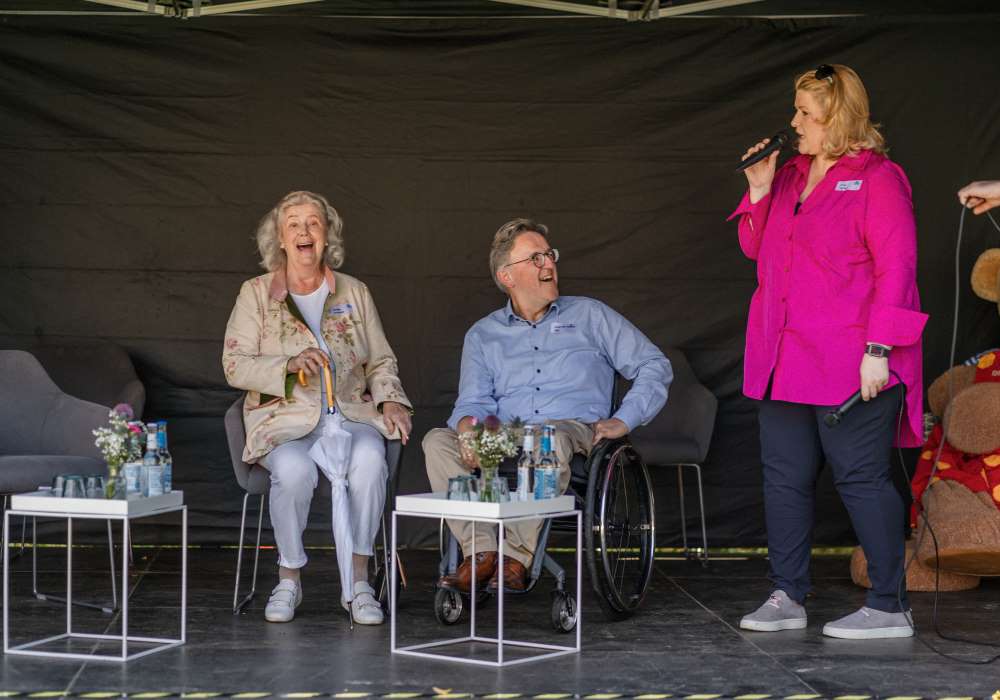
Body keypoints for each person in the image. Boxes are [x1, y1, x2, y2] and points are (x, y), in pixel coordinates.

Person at [729, 64, 928, 639]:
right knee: (783, 478)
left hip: (851, 359)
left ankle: (891, 606)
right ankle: (787, 594)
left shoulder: (878, 178)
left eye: (805, 114)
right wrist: (759, 188)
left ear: (837, 118)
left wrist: (879, 347)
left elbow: (899, 267)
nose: (793, 124)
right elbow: (755, 248)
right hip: (782, 357)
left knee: (861, 478)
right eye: (795, 111)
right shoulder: (790, 174)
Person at [423, 218, 672, 592]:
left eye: (550, 255)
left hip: (571, 431)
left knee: (546, 437)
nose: (549, 264)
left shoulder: (590, 315)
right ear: (507, 276)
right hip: (506, 435)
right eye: (535, 258)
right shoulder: (483, 334)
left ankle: (516, 558)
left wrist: (625, 419)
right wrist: (467, 429)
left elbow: (655, 365)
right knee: (436, 442)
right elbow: (472, 400)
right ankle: (482, 553)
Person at [223, 190, 412, 625]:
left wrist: (389, 399)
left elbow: (381, 359)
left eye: (313, 222)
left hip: (349, 413)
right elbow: (234, 365)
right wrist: (288, 365)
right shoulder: (256, 294)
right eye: (294, 224)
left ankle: (359, 582)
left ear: (327, 236)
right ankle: (288, 577)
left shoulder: (355, 292)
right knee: (292, 472)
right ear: (281, 239)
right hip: (285, 419)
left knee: (369, 459)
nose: (304, 231)